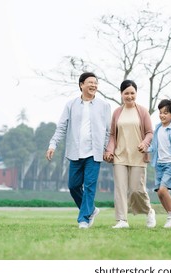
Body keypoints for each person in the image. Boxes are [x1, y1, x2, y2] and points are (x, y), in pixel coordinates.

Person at [46, 72, 111, 229]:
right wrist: (52, 144)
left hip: (94, 153)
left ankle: (83, 219)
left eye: (96, 83)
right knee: (73, 186)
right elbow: (62, 126)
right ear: (81, 85)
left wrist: (106, 148)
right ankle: (92, 209)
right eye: (90, 82)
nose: (93, 85)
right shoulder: (71, 105)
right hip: (75, 152)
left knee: (89, 186)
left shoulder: (104, 106)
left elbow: (108, 130)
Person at [104, 80, 156, 229]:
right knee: (120, 188)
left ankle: (149, 211)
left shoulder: (143, 111)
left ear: (136, 94)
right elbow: (113, 135)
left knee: (136, 190)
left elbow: (149, 132)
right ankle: (122, 220)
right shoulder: (117, 112)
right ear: (121, 94)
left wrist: (145, 143)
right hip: (120, 156)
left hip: (138, 156)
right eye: (126, 93)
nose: (129, 96)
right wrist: (109, 150)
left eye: (132, 93)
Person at [142, 99, 171, 228]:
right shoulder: (157, 128)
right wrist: (145, 149)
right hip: (159, 164)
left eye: (166, 113)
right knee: (159, 192)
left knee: (163, 190)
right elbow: (154, 147)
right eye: (160, 112)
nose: (162, 115)